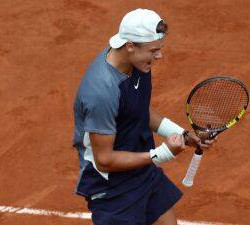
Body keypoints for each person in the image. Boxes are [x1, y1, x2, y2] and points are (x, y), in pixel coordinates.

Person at [72, 8, 215, 225]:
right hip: (112, 190)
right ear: (130, 46)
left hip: (140, 170)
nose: (159, 56)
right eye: (154, 50)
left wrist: (182, 135)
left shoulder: (137, 61)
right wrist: (162, 154)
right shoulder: (101, 91)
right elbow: (104, 160)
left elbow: (139, 110)